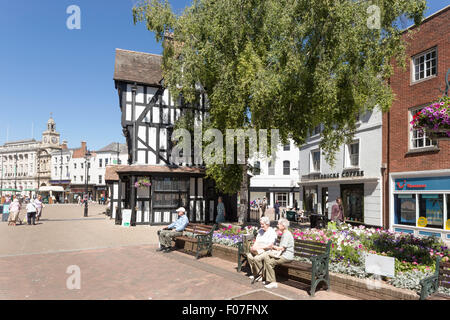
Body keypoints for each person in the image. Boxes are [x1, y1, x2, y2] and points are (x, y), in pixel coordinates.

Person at [263, 218, 295, 289]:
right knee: (266, 257)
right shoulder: (285, 233)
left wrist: (273, 247)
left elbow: (282, 248)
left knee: (269, 262)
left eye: (279, 224)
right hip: (283, 255)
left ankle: (273, 282)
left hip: (287, 256)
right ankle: (268, 279)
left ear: (283, 226)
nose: (277, 225)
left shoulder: (286, 234)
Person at [246, 216, 277, 281]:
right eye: (261, 224)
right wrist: (253, 247)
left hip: (268, 251)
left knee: (257, 258)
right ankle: (255, 273)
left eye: (263, 224)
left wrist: (259, 247)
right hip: (259, 250)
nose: (261, 225)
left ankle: (261, 275)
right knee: (249, 256)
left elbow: (270, 246)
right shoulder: (260, 231)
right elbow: (257, 241)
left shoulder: (272, 232)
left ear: (267, 224)